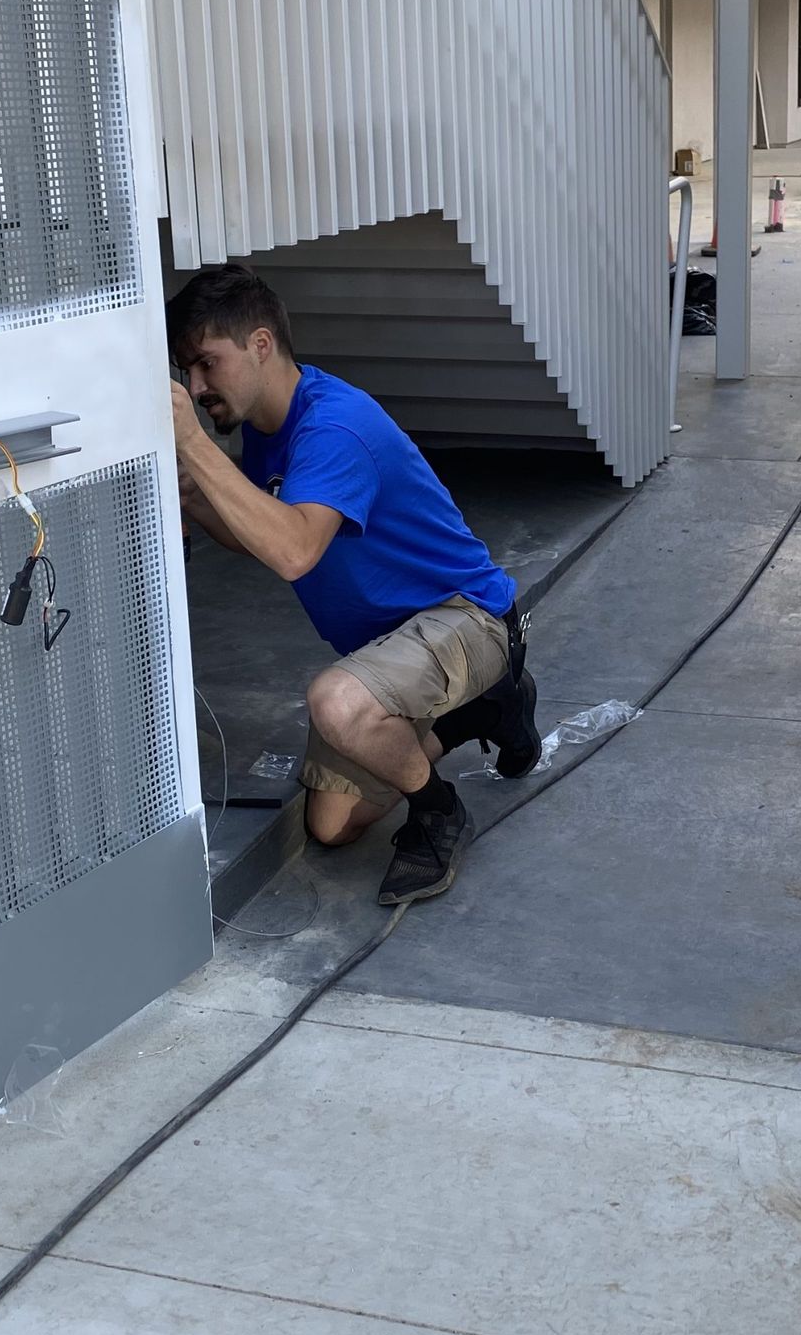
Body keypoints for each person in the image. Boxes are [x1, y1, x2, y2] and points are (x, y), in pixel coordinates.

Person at [166, 264, 540, 906]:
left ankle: (440, 813)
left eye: (206, 364)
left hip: (467, 617)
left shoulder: (333, 427)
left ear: (260, 344)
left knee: (337, 703)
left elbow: (291, 551)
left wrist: (193, 448)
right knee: (331, 825)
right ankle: (488, 710)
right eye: (186, 371)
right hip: (393, 645)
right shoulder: (266, 428)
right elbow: (261, 529)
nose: (196, 386)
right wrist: (197, 496)